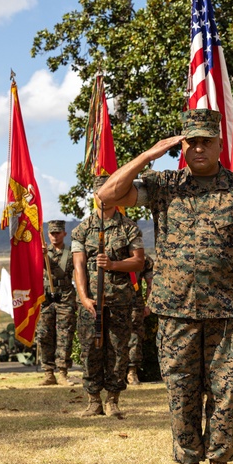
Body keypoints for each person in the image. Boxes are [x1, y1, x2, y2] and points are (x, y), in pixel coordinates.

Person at [97, 109, 233, 464]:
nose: (197, 148)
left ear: (219, 144)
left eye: (205, 141)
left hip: (227, 312)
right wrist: (149, 154)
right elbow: (107, 195)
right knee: (181, 392)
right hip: (175, 312)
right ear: (182, 144)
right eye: (190, 141)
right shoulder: (164, 185)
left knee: (225, 395)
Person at [72, 176, 145, 419]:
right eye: (99, 193)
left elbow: (139, 261)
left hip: (120, 301)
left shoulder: (129, 227)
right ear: (94, 196)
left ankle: (113, 400)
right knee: (90, 350)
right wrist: (84, 297)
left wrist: (113, 264)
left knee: (118, 350)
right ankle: (93, 401)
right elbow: (79, 266)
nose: (104, 198)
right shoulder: (82, 229)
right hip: (92, 303)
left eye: (109, 193)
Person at [36, 220, 77, 386]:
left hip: (65, 296)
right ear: (48, 234)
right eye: (52, 233)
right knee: (44, 334)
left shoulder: (71, 252)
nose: (55, 236)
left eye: (58, 233)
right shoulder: (42, 251)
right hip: (46, 298)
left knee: (65, 335)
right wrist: (40, 256)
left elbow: (67, 272)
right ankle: (48, 372)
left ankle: (62, 372)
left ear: (64, 234)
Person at [127, 254, 154, 385]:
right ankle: (114, 372)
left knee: (135, 335)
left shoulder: (145, 260)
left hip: (134, 302)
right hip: (112, 300)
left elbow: (151, 283)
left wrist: (148, 304)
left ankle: (132, 371)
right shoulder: (113, 255)